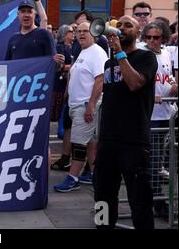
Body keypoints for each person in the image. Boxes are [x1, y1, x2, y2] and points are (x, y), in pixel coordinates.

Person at [94, 15, 158, 229]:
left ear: (137, 33)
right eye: (119, 24)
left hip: (134, 140)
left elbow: (135, 83)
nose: (122, 28)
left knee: (139, 199)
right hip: (108, 139)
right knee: (102, 196)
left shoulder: (146, 58)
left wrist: (120, 52)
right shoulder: (108, 62)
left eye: (128, 25)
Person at [54, 22, 107, 192]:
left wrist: (91, 105)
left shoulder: (97, 53)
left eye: (86, 31)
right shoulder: (83, 52)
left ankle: (73, 177)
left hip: (85, 105)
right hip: (77, 104)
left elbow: (100, 79)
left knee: (77, 143)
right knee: (90, 142)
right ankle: (95, 174)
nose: (82, 34)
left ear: (94, 34)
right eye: (79, 31)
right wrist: (67, 94)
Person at [140, 21, 178, 217]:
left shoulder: (166, 53)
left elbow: (167, 76)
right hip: (149, 115)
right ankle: (155, 200)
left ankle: (156, 199)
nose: (153, 41)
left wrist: (173, 84)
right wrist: (150, 97)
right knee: (152, 160)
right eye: (149, 37)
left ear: (163, 38)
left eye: (156, 37)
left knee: (159, 159)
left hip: (166, 113)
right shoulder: (140, 53)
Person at [5, 0, 64, 70]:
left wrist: (58, 63)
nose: (26, 15)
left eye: (29, 12)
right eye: (23, 11)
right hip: (17, 80)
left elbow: (55, 67)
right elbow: (6, 66)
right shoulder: (13, 38)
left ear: (34, 14)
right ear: (18, 15)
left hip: (39, 80)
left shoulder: (44, 35)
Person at [51, 25, 75, 171]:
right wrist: (73, 66)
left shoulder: (72, 47)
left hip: (67, 85)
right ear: (64, 34)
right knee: (57, 114)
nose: (73, 35)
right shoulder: (60, 47)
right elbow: (58, 66)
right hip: (59, 87)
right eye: (71, 32)